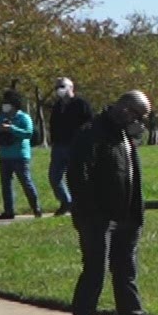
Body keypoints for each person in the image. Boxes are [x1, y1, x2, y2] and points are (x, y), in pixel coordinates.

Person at [64, 91, 158, 315]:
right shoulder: (91, 133)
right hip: (98, 220)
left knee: (126, 274)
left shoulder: (123, 135)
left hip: (125, 218)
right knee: (94, 275)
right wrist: (93, 214)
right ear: (125, 110)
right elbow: (78, 177)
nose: (141, 124)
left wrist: (135, 215)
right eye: (139, 117)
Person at [0, 89, 42, 220]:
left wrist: (11, 129)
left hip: (20, 156)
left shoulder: (23, 118)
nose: (4, 105)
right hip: (4, 155)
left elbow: (28, 133)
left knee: (26, 182)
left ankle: (36, 208)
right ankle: (8, 211)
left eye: (7, 102)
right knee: (6, 185)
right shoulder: (0, 118)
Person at [46, 77, 93, 218]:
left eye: (62, 86)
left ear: (71, 87)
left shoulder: (81, 104)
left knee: (76, 177)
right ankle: (66, 202)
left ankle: (82, 205)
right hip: (59, 146)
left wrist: (83, 140)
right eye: (56, 87)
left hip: (76, 146)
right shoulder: (57, 106)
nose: (58, 89)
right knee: (54, 177)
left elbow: (90, 123)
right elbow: (53, 124)